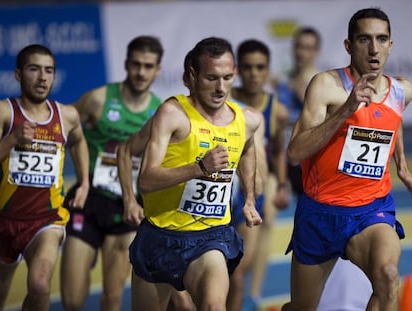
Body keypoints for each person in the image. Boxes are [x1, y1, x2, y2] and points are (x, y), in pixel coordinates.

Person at [117, 37, 263, 311]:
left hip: (211, 236)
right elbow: (146, 179)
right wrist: (199, 169)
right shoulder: (172, 114)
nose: (221, 88)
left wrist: (250, 198)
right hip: (161, 236)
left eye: (227, 78)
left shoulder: (248, 120)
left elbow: (247, 147)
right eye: (211, 78)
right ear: (193, 76)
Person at [283, 7, 412, 310]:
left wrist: (402, 164)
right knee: (302, 307)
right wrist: (346, 109)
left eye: (381, 39)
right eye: (364, 39)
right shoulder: (326, 86)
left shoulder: (401, 90)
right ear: (349, 45)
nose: (374, 49)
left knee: (388, 276)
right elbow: (294, 152)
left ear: (391, 45)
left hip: (372, 210)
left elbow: (391, 120)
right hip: (321, 214)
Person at [60, 36, 163, 311]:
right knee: (71, 300)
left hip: (128, 206)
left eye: (148, 66)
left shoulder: (160, 112)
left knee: (113, 298)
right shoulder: (98, 99)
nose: (141, 72)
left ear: (158, 70)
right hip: (90, 199)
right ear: (126, 64)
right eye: (136, 64)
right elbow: (62, 125)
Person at [0, 44, 89, 311]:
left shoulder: (67, 115)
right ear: (18, 74)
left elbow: (79, 142)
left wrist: (84, 181)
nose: (42, 77)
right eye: (34, 69)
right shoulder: (5, 112)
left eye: (48, 71)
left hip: (46, 220)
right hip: (3, 220)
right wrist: (13, 139)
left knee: (39, 284)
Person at [227, 39, 289, 311]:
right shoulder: (224, 99)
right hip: (224, 184)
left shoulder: (277, 111)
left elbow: (277, 151)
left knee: (242, 264)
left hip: (255, 184)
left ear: (267, 70)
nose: (254, 74)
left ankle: (252, 295)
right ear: (239, 69)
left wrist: (282, 186)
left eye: (260, 67)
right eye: (248, 67)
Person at [275, 26, 321, 195]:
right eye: (298, 46)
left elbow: (329, 120)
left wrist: (305, 96)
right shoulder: (283, 81)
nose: (301, 52)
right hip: (283, 156)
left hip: (309, 159)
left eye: (307, 48)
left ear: (316, 52)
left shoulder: (322, 82)